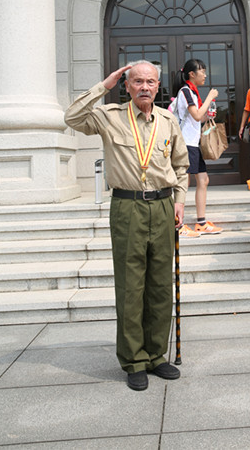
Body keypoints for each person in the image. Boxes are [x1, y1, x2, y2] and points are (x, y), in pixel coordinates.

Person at [64, 61, 189, 391]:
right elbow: (72, 117)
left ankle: (156, 355)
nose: (145, 87)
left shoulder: (168, 120)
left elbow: (181, 165)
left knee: (161, 284)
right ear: (127, 85)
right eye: (137, 81)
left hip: (163, 206)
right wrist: (104, 85)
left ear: (158, 85)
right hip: (128, 207)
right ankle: (134, 360)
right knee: (131, 286)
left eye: (150, 81)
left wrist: (179, 200)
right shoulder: (110, 116)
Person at [172, 59, 223, 236]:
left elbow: (199, 118)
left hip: (193, 144)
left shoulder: (193, 93)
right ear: (191, 74)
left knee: (203, 180)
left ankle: (201, 222)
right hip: (185, 144)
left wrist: (208, 113)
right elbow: (195, 116)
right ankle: (178, 225)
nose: (205, 75)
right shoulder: (186, 91)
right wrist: (210, 97)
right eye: (202, 71)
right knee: (183, 183)